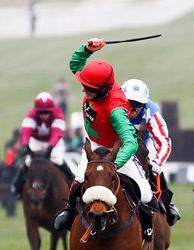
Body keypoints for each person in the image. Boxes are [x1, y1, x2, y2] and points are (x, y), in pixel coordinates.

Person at [53, 38, 157, 237]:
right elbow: (75, 64)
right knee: (77, 181)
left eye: (88, 88)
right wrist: (87, 49)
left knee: (145, 194)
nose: (84, 90)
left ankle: (147, 228)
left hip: (115, 150)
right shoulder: (95, 84)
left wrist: (113, 164)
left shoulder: (116, 109)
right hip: (93, 144)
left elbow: (131, 142)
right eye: (84, 85)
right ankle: (68, 212)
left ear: (102, 89)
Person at [121, 78, 180, 226]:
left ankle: (168, 204)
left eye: (138, 106)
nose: (133, 110)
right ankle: (73, 205)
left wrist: (157, 162)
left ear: (144, 104)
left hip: (144, 142)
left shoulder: (151, 111)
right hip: (119, 140)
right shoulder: (115, 107)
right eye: (130, 104)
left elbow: (164, 141)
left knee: (154, 170)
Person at [10, 92, 75, 198]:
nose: (44, 115)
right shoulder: (31, 114)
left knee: (57, 159)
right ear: (36, 111)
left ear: (51, 110)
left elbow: (56, 133)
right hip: (37, 141)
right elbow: (26, 131)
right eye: (41, 113)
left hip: (54, 142)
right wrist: (25, 145)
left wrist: (50, 147)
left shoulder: (58, 114)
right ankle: (17, 186)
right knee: (28, 161)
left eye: (46, 112)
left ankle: (72, 182)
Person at [2, 140, 21, 217]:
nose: (19, 146)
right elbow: (9, 164)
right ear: (14, 145)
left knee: (12, 193)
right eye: (18, 144)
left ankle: (12, 210)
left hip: (13, 176)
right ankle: (10, 211)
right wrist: (17, 166)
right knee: (11, 194)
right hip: (11, 176)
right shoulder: (11, 153)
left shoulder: (15, 153)